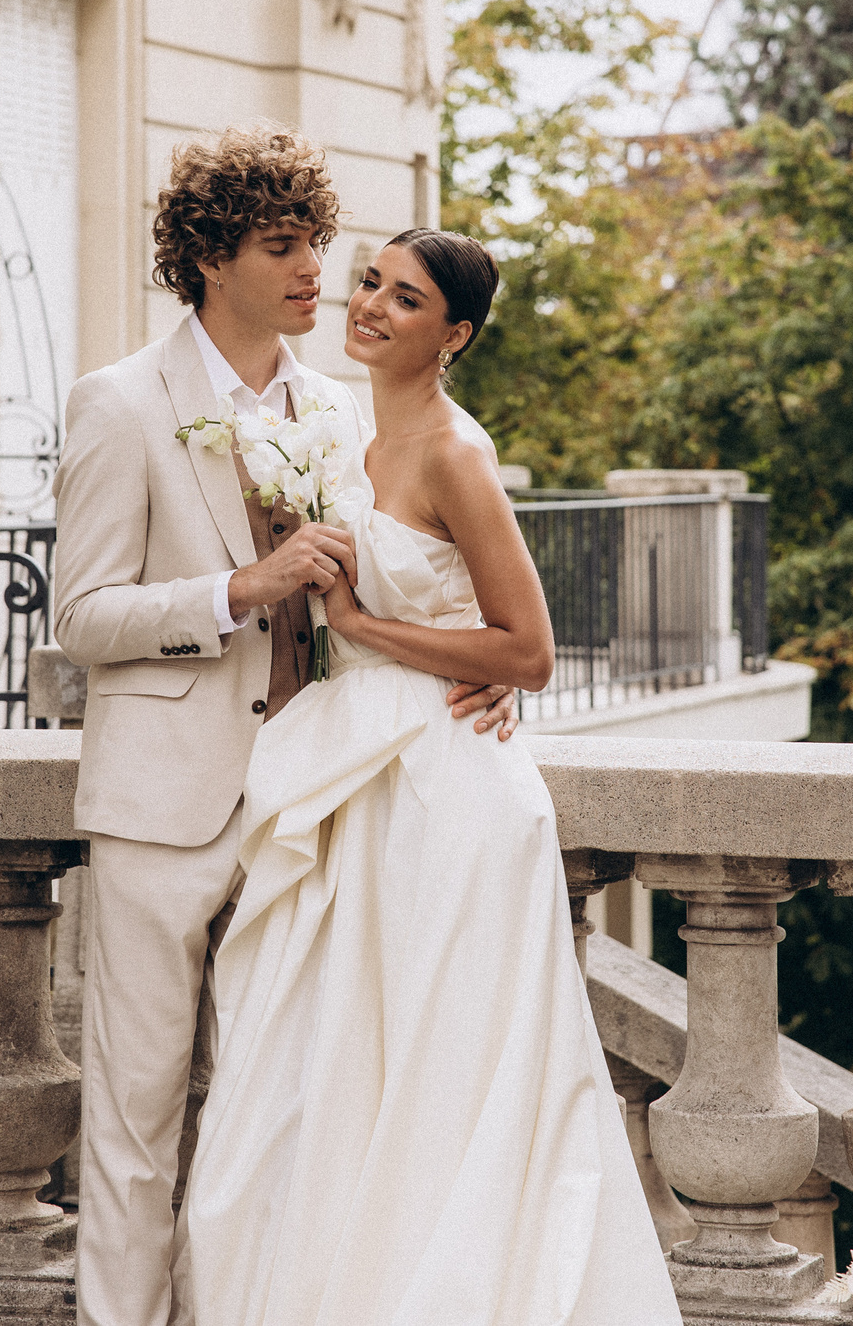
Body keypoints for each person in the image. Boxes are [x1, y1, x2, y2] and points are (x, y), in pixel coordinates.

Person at [51, 125, 519, 1326]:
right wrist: (232, 595)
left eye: (319, 243)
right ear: (211, 258)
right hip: (161, 807)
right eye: (284, 246)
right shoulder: (119, 404)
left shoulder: (336, 410)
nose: (317, 272)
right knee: (136, 1120)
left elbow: (415, 584)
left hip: (311, 807)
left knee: (277, 1121)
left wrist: (479, 663)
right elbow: (81, 617)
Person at [181, 228, 683, 1326]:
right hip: (343, 777)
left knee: (446, 1069)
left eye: (402, 299)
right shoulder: (336, 433)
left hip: (447, 793)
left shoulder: (457, 453)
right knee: (325, 1065)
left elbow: (527, 651)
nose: (367, 305)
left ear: (451, 334)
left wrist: (365, 625)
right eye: (368, 282)